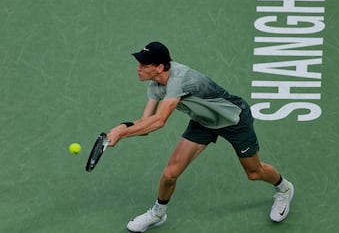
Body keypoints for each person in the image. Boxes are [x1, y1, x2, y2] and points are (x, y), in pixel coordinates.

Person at [107, 41, 294, 232]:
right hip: (203, 122)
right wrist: (121, 128)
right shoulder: (155, 85)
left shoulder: (181, 79)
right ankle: (158, 213)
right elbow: (145, 123)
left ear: (160, 67)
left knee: (254, 172)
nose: (138, 69)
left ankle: (284, 189)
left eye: (144, 65)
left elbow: (159, 120)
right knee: (170, 174)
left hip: (234, 120)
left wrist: (122, 134)